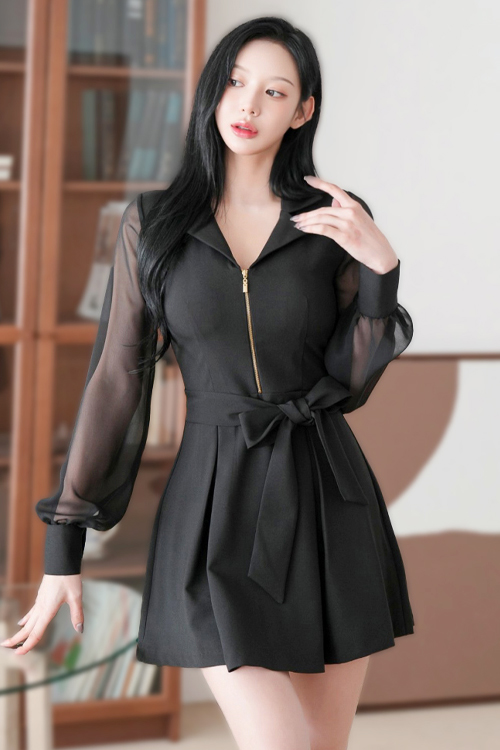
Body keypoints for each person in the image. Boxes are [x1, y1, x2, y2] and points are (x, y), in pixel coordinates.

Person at [1, 16, 415, 750]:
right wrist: (63, 548)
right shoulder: (154, 224)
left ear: (303, 110)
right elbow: (115, 382)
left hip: (327, 498)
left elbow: (349, 383)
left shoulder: (333, 222)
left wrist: (382, 271)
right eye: (234, 81)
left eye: (274, 91)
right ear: (212, 90)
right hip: (211, 506)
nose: (248, 104)